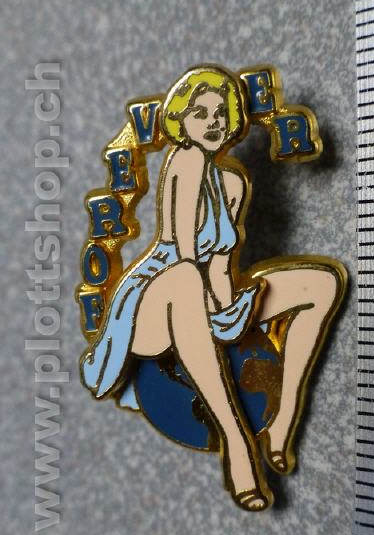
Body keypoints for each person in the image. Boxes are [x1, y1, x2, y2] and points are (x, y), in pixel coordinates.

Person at [81, 65, 346, 511]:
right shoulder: (184, 160)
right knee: (186, 279)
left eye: (221, 113)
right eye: (200, 113)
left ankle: (283, 420)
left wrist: (231, 309)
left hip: (204, 296)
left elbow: (222, 264)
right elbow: (185, 255)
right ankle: (237, 445)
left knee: (321, 284)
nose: (213, 122)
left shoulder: (234, 182)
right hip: (155, 302)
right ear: (181, 121)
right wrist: (218, 309)